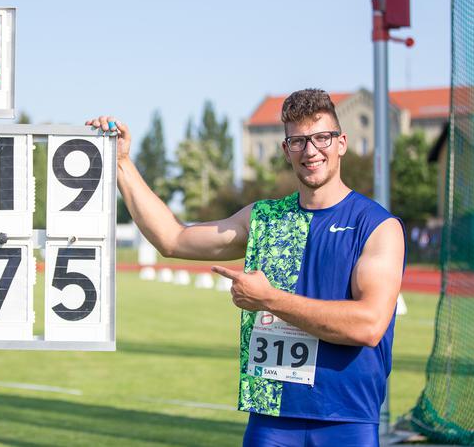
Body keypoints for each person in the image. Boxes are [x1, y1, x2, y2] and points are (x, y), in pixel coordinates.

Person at [86, 88, 405, 446]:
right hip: (270, 416)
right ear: (286, 150)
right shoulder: (265, 219)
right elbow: (172, 239)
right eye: (298, 141)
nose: (311, 150)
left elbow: (369, 325)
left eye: (321, 138)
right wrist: (121, 164)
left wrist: (270, 299)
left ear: (341, 143)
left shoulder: (376, 226)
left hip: (345, 418)